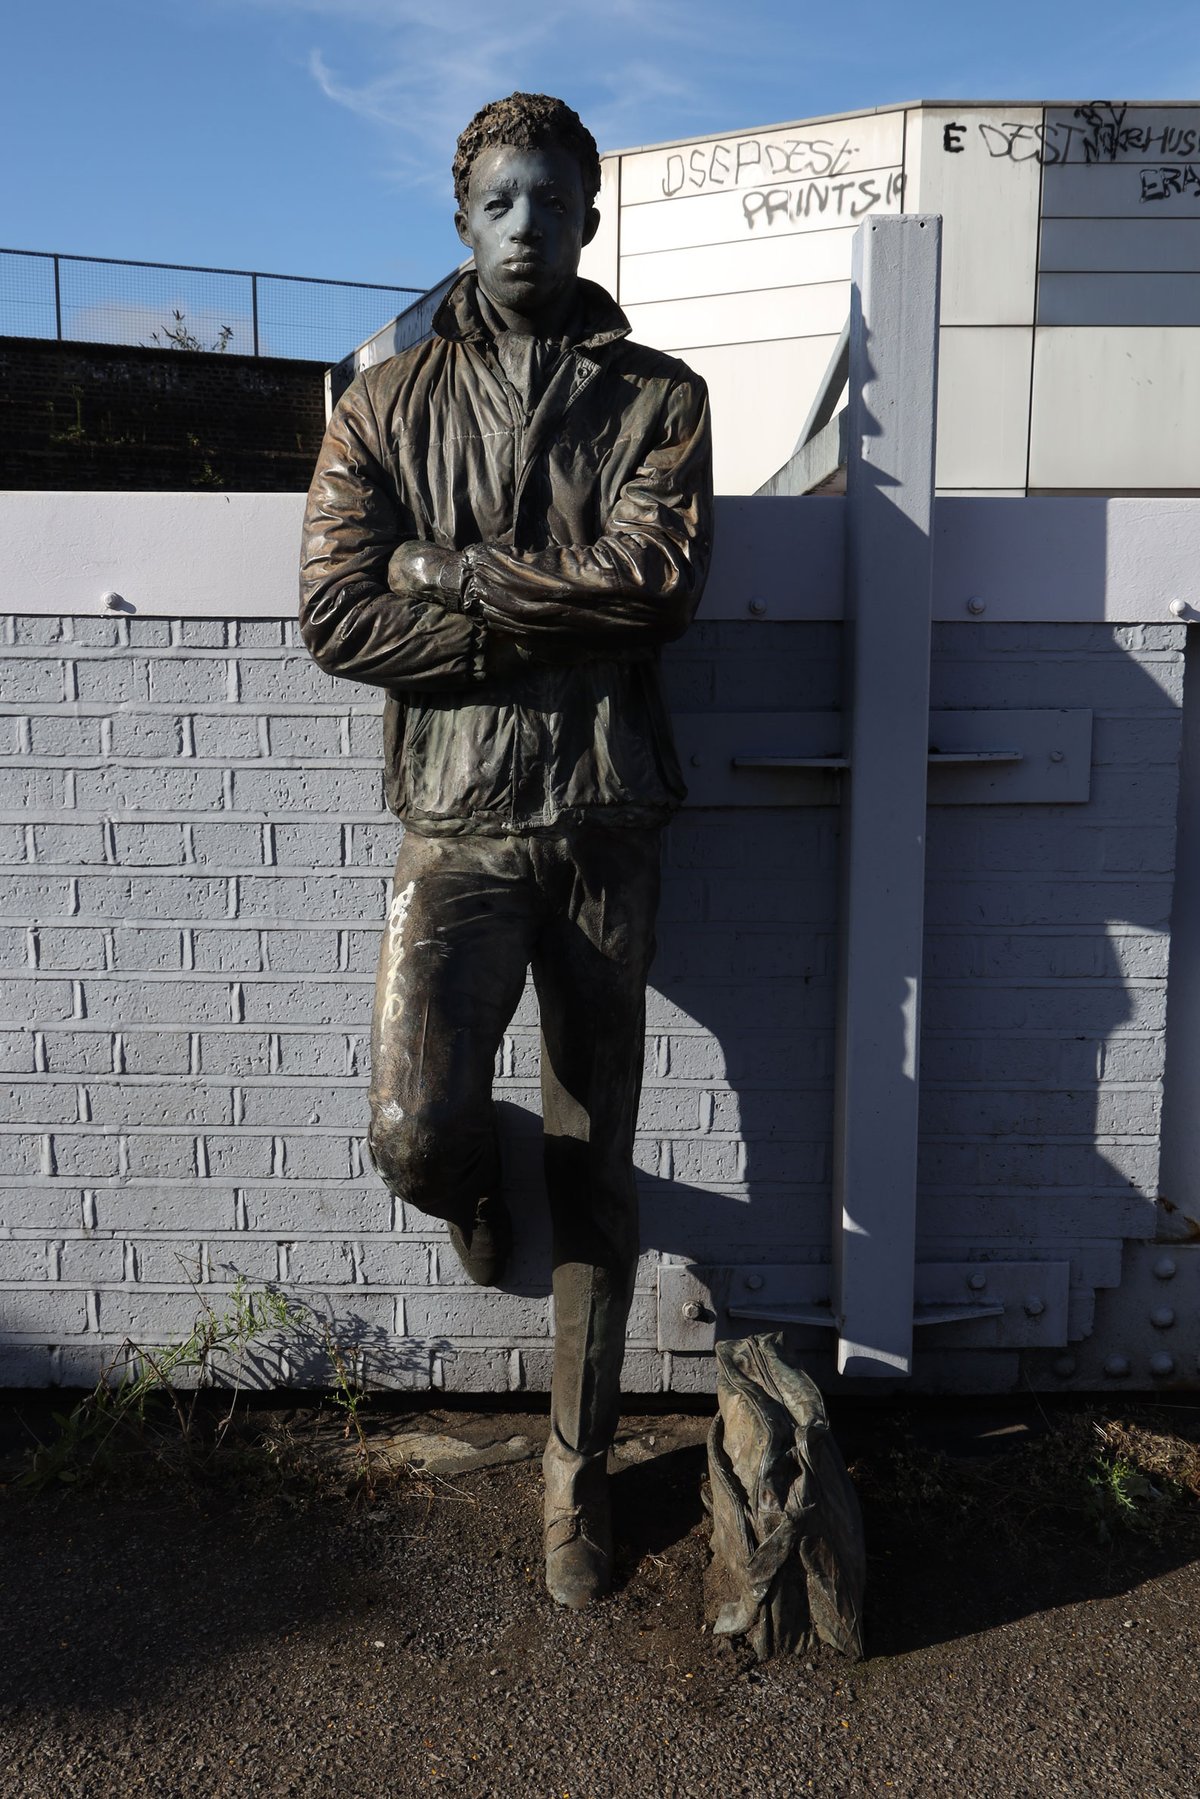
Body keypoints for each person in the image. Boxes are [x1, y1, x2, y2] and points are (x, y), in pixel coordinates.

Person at [300, 92, 712, 1608]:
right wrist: (527, 595)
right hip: (458, 820)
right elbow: (341, 617)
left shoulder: (661, 397)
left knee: (597, 1159)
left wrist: (447, 571)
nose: (528, 226)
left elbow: (654, 586)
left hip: (608, 814)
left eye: (554, 200)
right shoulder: (383, 403)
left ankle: (575, 1471)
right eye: (500, 203)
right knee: (413, 1124)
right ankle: (478, 1198)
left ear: (591, 216)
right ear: (462, 221)